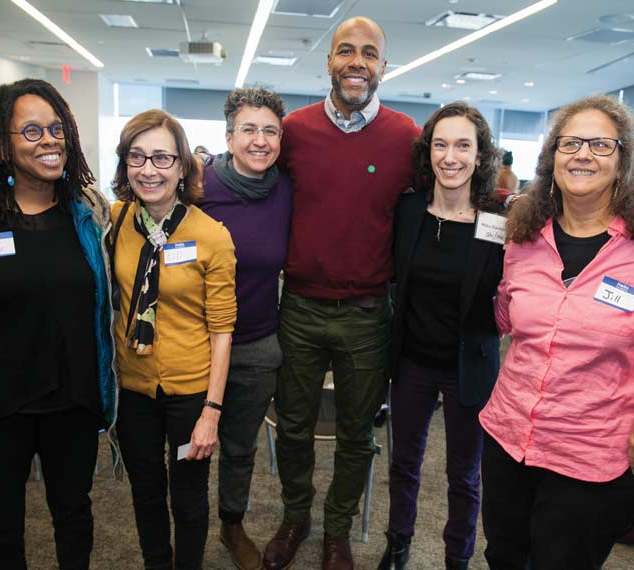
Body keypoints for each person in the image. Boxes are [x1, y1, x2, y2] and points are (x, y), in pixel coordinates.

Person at [479, 94, 634, 570]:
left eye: (600, 144)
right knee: (504, 556)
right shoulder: (524, 234)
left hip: (596, 448)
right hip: (510, 435)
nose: (583, 155)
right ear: (552, 156)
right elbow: (508, 321)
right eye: (570, 143)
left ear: (624, 159)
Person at [0, 78, 118, 569]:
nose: (50, 140)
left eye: (57, 128)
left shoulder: (89, 211)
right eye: (31, 131)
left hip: (73, 401)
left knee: (74, 514)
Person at [262, 16, 421, 570]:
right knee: (294, 423)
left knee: (357, 432)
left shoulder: (407, 138)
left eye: (369, 53)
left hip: (367, 312)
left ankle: (336, 531)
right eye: (345, 51)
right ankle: (294, 516)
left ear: (383, 66)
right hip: (300, 306)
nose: (357, 61)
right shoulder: (294, 131)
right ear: (328, 61)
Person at [379, 102, 504, 570]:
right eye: (441, 144)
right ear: (427, 152)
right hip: (411, 361)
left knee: (464, 475)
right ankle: (398, 544)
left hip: (468, 364)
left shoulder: (497, 219)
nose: (451, 156)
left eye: (463, 145)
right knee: (404, 464)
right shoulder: (409, 210)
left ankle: (457, 558)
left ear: (479, 155)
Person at [111, 108, 237, 570]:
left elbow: (223, 330)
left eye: (162, 158)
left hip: (191, 393)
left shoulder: (211, 236)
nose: (149, 170)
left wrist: (212, 410)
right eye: (137, 157)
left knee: (187, 499)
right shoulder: (116, 222)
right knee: (145, 491)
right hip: (134, 387)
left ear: (183, 166)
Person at [197, 87, 292, 570]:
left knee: (238, 447)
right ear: (229, 137)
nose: (260, 140)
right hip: (193, 345)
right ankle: (187, 529)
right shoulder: (196, 187)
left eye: (270, 131)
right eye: (249, 130)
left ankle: (231, 525)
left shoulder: (287, 191)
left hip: (256, 343)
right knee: (188, 445)